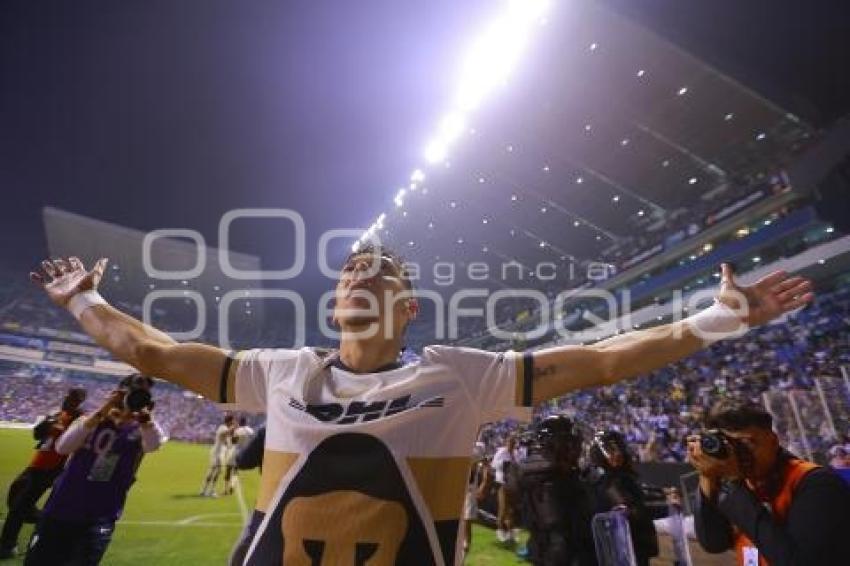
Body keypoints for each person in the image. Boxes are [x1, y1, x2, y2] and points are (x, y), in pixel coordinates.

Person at [29, 250, 811, 565]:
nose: (363, 275)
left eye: (383, 274)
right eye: (351, 273)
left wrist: (718, 320)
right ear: (336, 307)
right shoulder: (282, 372)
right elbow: (156, 356)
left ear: (409, 310)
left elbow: (604, 359)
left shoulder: (460, 376)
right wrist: (85, 298)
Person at [688, 399, 850, 565]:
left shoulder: (816, 484)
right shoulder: (740, 485)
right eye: (730, 446)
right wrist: (707, 476)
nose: (740, 455)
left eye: (747, 443)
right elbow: (714, 543)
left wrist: (734, 482)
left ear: (773, 440)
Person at [23, 375, 164, 566]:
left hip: (100, 516)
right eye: (134, 392)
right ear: (119, 392)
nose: (137, 398)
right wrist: (104, 410)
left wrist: (146, 420)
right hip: (62, 508)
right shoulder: (89, 419)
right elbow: (63, 447)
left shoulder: (142, 428)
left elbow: (153, 445)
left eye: (144, 394)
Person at [0, 388, 87, 559]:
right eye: (68, 396)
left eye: (72, 398)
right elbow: (36, 434)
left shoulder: (80, 419)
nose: (67, 399)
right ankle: (45, 520)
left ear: (79, 401)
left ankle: (7, 546)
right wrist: (47, 424)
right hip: (36, 464)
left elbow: (75, 443)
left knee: (18, 507)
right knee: (15, 495)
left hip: (52, 468)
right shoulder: (57, 413)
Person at [514, 415, 596, 566]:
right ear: (555, 445)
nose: (576, 448)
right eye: (570, 443)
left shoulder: (562, 474)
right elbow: (559, 538)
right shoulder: (548, 481)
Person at [588, 430, 658, 566]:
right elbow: (632, 510)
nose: (617, 453)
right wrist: (664, 507)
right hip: (623, 549)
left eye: (618, 448)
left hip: (634, 545)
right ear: (599, 454)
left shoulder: (622, 476)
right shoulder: (608, 482)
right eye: (610, 450)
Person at [491, 434, 521, 544]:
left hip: (512, 484)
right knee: (503, 508)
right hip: (502, 483)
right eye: (510, 442)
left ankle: (510, 534)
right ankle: (499, 530)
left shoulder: (516, 453)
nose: (512, 445)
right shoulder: (501, 452)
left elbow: (518, 466)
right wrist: (505, 464)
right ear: (507, 442)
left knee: (511, 510)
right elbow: (494, 465)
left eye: (514, 443)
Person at [200, 414, 235, 497]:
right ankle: (210, 491)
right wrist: (231, 429)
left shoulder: (226, 429)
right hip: (217, 452)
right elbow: (223, 433)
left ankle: (205, 490)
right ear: (229, 421)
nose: (233, 422)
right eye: (232, 421)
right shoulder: (223, 427)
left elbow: (228, 443)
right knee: (216, 471)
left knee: (214, 471)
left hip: (219, 452)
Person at [223, 417, 255, 496]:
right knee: (236, 471)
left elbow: (234, 441)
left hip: (236, 451)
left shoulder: (238, 430)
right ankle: (232, 485)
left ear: (240, 422)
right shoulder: (251, 431)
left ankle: (226, 489)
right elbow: (253, 441)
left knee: (228, 469)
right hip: (245, 452)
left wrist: (231, 435)